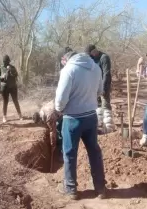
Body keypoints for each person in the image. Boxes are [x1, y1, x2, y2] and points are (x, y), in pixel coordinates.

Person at [55, 48, 106, 200]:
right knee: (94, 152)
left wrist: (59, 109)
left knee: (70, 153)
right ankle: (101, 188)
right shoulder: (95, 67)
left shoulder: (68, 70)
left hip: (72, 119)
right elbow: (100, 91)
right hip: (91, 116)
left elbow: (60, 100)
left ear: (65, 58)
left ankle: (71, 189)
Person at [32, 99, 62, 172]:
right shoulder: (42, 111)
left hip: (63, 112)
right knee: (57, 128)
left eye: (39, 123)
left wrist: (53, 144)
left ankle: (62, 152)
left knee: (62, 134)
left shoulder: (49, 117)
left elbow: (52, 131)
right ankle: (58, 142)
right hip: (56, 109)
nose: (40, 124)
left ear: (39, 119)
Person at [84, 44, 112, 111]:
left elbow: (106, 74)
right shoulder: (91, 59)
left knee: (105, 107)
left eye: (90, 53)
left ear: (94, 51)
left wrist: (103, 88)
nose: (89, 55)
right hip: (94, 87)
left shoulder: (104, 57)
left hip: (104, 85)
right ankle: (99, 121)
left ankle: (107, 121)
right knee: (97, 107)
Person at [0, 55, 22, 123]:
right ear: (3, 61)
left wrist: (10, 70)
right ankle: (4, 117)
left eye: (7, 61)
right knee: (5, 102)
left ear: (9, 61)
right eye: (5, 61)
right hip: (5, 87)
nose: (6, 63)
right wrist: (2, 76)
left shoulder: (12, 67)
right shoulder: (0, 68)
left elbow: (16, 75)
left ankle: (20, 115)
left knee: (15, 101)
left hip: (13, 87)